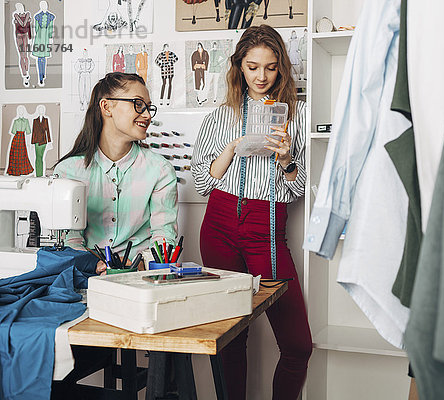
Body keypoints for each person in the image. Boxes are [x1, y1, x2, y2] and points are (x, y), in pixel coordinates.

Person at [191, 24, 312, 400]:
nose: (261, 76)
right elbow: (200, 182)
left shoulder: (300, 116)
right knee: (230, 339)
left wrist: (287, 160)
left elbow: (299, 188)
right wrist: (231, 148)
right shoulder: (219, 115)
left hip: (268, 227)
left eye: (271, 67)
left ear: (282, 68)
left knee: (297, 345)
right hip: (219, 224)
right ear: (239, 67)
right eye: (252, 66)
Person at [53, 72, 178, 275]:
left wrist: (139, 264)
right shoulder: (68, 171)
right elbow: (70, 239)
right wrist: (92, 264)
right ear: (106, 107)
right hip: (83, 274)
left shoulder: (160, 170)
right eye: (138, 104)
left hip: (139, 276)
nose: (147, 115)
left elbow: (163, 236)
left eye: (148, 107)